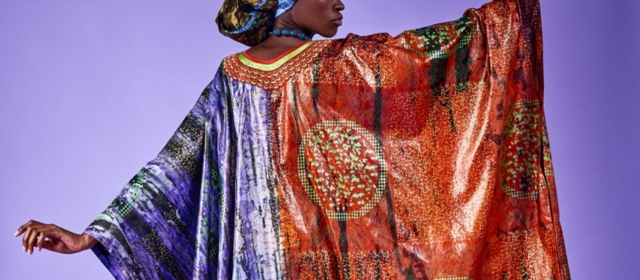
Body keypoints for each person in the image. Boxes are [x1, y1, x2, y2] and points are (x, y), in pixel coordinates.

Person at [15, 0, 571, 278]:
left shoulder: (345, 63)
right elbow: (174, 170)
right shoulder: (248, 80)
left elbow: (430, 76)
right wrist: (92, 237)